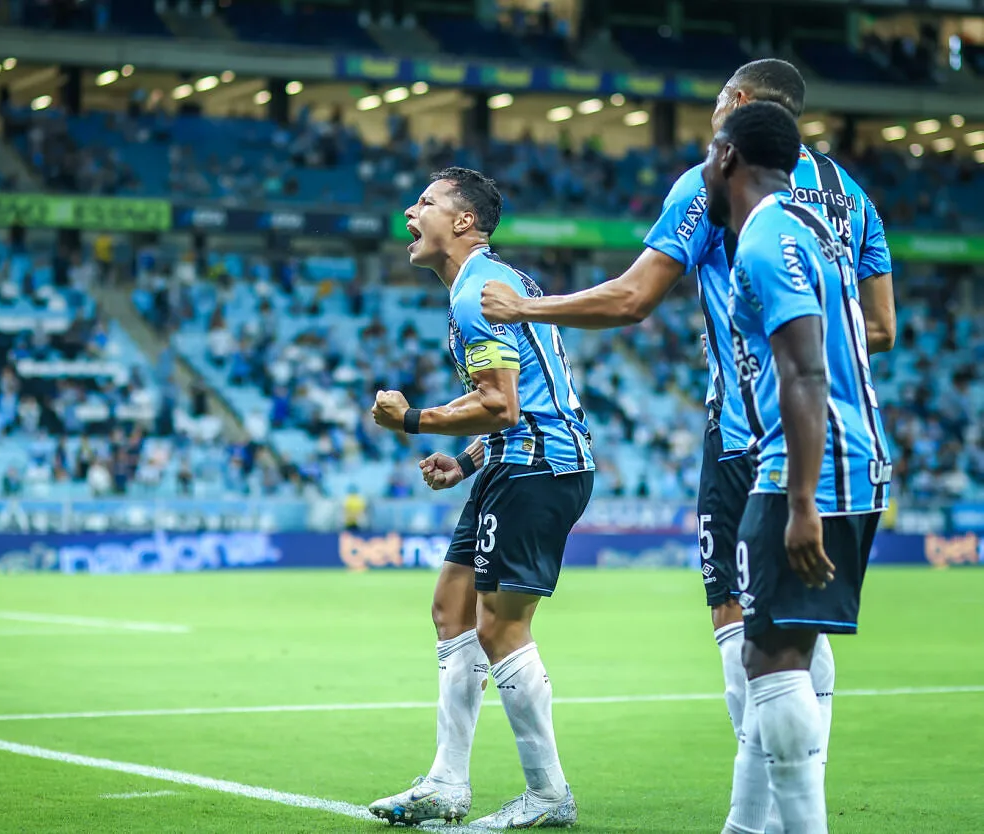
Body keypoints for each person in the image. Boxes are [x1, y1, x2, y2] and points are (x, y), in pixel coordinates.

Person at [478, 59, 894, 826]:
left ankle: (773, 817)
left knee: (751, 648)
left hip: (753, 441)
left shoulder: (727, 197)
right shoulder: (848, 199)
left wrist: (527, 310)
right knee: (796, 637)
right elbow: (882, 329)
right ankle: (764, 814)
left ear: (732, 113)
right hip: (841, 441)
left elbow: (635, 297)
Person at [367, 167, 594, 829]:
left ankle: (549, 794)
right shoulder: (495, 283)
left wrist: (412, 420)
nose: (411, 212)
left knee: (499, 625)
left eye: (427, 203)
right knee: (452, 608)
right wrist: (465, 463)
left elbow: (501, 404)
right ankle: (445, 781)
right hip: (514, 462)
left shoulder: (477, 293)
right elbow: (516, 400)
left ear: (463, 221)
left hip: (537, 467)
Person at [702, 101, 890, 834]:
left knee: (771, 655)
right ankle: (747, 827)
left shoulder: (765, 237)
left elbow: (806, 371)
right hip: (844, 459)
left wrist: (802, 499)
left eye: (709, 156)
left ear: (727, 158)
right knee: (773, 650)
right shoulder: (812, 225)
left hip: (806, 468)